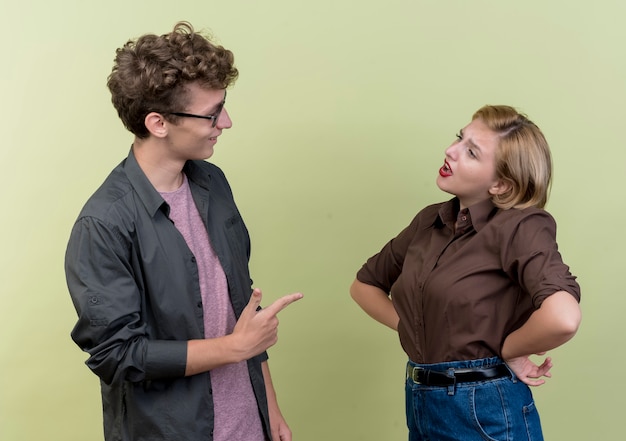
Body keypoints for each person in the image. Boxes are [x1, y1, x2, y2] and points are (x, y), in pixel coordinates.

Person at [65, 21, 303, 441]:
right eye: (212, 113)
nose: (225, 122)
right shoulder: (103, 224)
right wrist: (233, 347)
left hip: (248, 422)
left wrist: (271, 408)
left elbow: (241, 304)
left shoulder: (213, 182)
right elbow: (118, 355)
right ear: (158, 123)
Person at [350, 105, 582, 441]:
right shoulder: (430, 221)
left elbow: (563, 317)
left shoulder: (521, 226)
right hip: (420, 400)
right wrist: (415, 328)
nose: (451, 151)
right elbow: (364, 286)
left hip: (482, 409)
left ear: (501, 184)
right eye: (460, 138)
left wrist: (510, 349)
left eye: (471, 152)